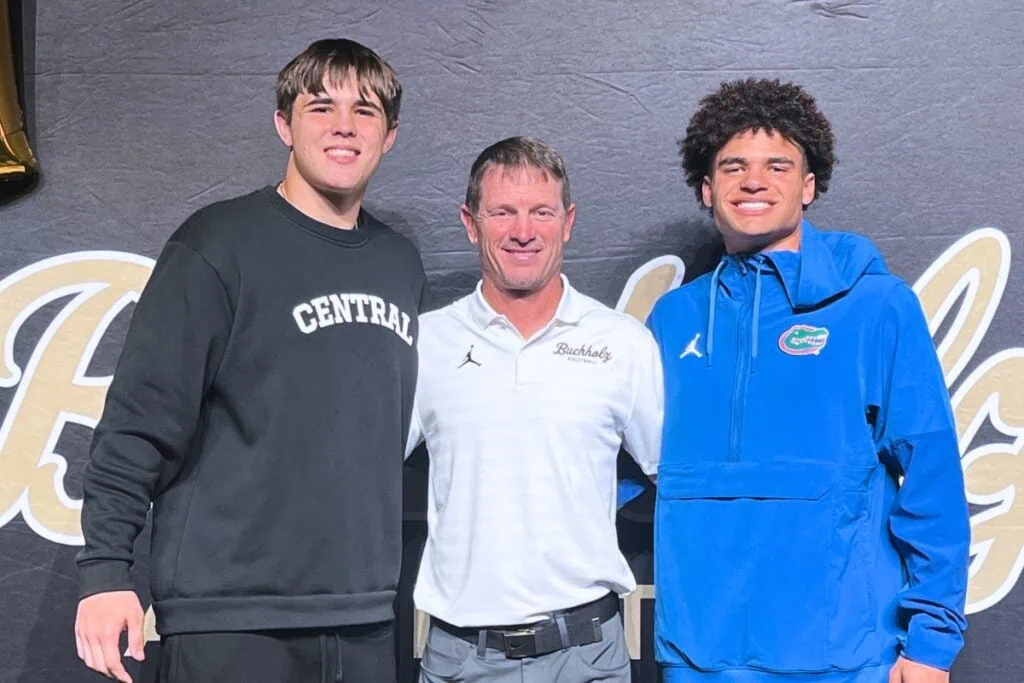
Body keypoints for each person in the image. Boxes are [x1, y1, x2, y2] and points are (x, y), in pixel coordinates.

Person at [74, 38, 428, 683]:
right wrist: (104, 572)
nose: (344, 125)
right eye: (320, 106)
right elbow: (138, 423)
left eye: (366, 110)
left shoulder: (399, 262)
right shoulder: (216, 243)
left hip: (365, 615)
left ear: (391, 134)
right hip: (230, 617)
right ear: (282, 123)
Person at [647, 78, 970, 682]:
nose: (754, 180)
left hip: (842, 657)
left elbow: (932, 477)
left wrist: (930, 642)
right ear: (706, 186)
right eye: (733, 165)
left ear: (809, 184)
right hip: (698, 654)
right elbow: (623, 466)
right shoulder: (673, 319)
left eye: (778, 164)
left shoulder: (877, 306)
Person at [406, 136, 663, 682]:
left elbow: (679, 481)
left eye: (541, 212)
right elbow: (353, 469)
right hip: (461, 659)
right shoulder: (425, 343)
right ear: (471, 223)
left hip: (589, 655)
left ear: (567, 221)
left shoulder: (624, 343)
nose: (523, 232)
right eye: (502, 212)